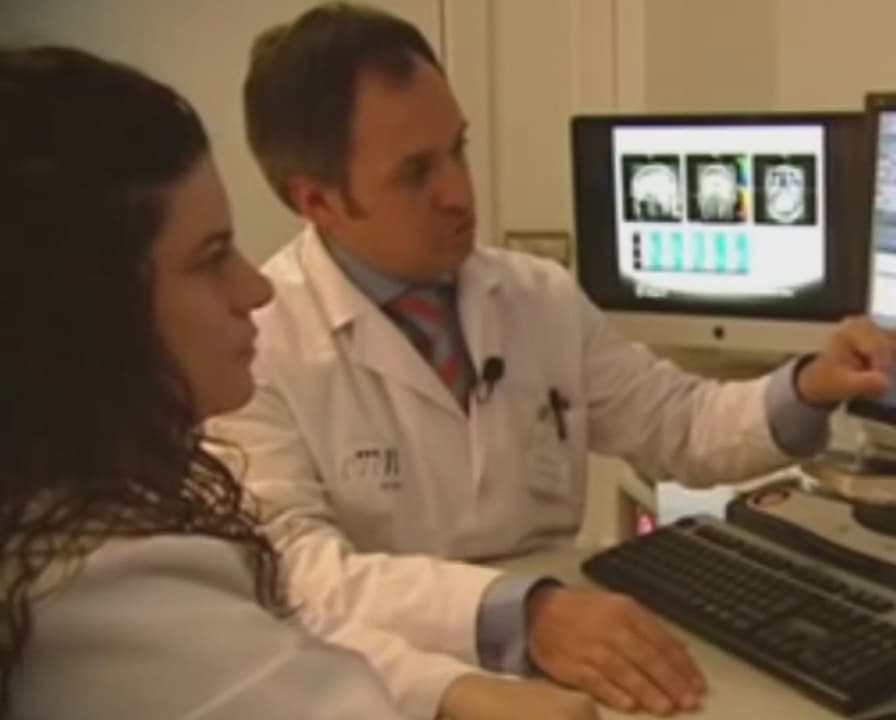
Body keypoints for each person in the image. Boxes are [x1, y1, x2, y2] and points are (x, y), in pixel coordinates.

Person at [206, 3, 896, 717]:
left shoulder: (538, 296)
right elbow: (296, 576)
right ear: (318, 201)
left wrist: (809, 386)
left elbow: (679, 424)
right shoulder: (256, 347)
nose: (459, 193)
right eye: (415, 173)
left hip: (578, 662)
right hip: (396, 686)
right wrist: (522, 613)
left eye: (459, 149)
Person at [0, 45, 597, 720]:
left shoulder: (93, 515)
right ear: (83, 315)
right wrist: (502, 632)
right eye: (210, 259)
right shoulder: (106, 595)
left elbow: (274, 614)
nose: (253, 289)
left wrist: (445, 690)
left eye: (457, 150)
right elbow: (289, 598)